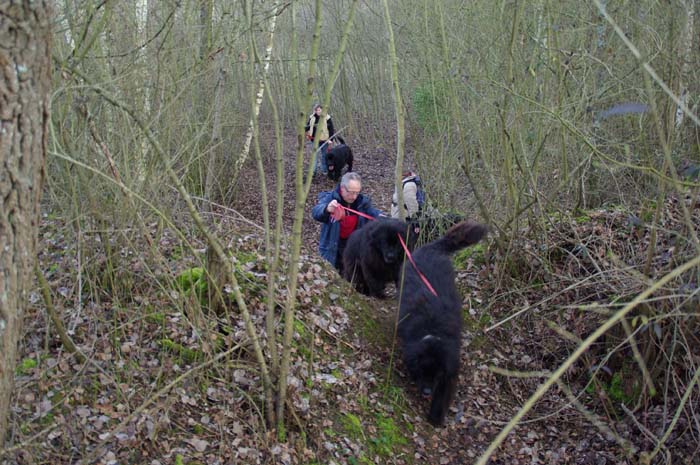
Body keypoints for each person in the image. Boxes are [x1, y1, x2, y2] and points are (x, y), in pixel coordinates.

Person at [311, 172, 382, 272]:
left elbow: (374, 214)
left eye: (357, 193)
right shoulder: (331, 198)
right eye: (351, 192)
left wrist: (384, 218)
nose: (354, 197)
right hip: (332, 247)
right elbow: (316, 212)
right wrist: (327, 209)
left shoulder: (362, 202)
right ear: (342, 188)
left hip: (352, 247)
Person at [305, 103, 335, 175]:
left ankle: (324, 170)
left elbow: (331, 129)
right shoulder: (312, 117)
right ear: (314, 111)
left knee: (324, 156)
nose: (318, 111)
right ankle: (313, 172)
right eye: (316, 110)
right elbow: (308, 126)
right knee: (314, 156)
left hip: (325, 140)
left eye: (319, 110)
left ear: (322, 110)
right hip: (314, 140)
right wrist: (303, 129)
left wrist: (331, 139)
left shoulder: (327, 117)